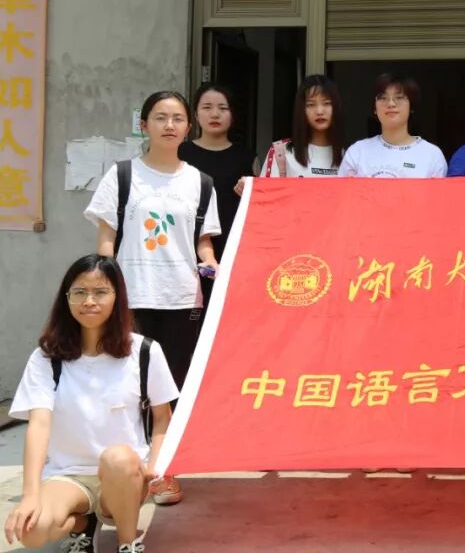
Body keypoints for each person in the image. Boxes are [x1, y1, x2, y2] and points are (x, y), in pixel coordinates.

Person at [85, 91, 221, 507]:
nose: (169, 125)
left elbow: (203, 243)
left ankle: (164, 472)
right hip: (132, 296)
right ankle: (123, 471)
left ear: (188, 128)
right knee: (125, 386)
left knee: (171, 388)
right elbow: (106, 239)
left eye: (177, 118)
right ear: (144, 125)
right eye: (160, 117)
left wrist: (213, 266)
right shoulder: (122, 175)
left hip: (182, 299)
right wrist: (104, 290)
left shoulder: (201, 183)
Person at [4, 255, 180, 553]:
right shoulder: (46, 358)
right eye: (79, 292)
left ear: (117, 297)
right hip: (68, 475)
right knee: (31, 532)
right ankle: (83, 524)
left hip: (123, 475)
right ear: (66, 298)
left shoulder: (144, 351)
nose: (89, 301)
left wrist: (155, 466)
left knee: (117, 458)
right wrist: (30, 495)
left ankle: (127, 543)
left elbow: (163, 417)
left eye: (100, 292)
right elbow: (39, 425)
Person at [178, 83, 256, 302]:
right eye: (207, 107)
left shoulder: (247, 157)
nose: (215, 114)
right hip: (186, 244)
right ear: (195, 114)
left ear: (233, 115)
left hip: (233, 244)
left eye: (223, 108)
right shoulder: (180, 153)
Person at [339, 73, 447, 178]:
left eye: (399, 97)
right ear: (375, 108)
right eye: (383, 98)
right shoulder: (357, 152)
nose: (391, 104)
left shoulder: (432, 155)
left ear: (411, 106)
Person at [260, 75, 345, 178]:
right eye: (311, 104)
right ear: (301, 110)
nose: (319, 111)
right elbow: (267, 189)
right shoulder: (281, 152)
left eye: (327, 103)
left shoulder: (351, 155)